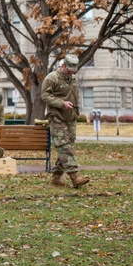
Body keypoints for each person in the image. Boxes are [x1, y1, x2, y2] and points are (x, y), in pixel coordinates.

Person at [41, 54, 90, 188]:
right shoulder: (52, 78)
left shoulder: (73, 78)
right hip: (56, 117)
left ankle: (56, 177)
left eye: (73, 70)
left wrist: (77, 111)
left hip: (71, 117)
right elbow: (44, 95)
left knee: (68, 147)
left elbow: (75, 95)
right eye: (69, 69)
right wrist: (62, 103)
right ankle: (75, 177)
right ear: (63, 65)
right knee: (63, 146)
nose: (71, 72)